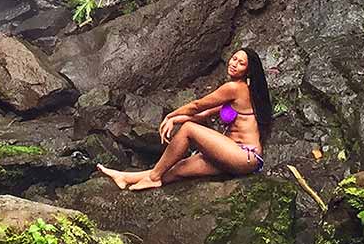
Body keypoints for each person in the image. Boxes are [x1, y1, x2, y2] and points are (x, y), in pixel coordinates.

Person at [97, 47, 272, 190]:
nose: (234, 64)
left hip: (245, 156)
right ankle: (125, 177)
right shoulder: (238, 94)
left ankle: (154, 177)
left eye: (241, 63)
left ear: (248, 71)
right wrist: (176, 120)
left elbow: (197, 105)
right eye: (234, 58)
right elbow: (202, 114)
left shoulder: (234, 88)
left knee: (188, 129)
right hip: (231, 155)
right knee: (178, 168)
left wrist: (171, 116)